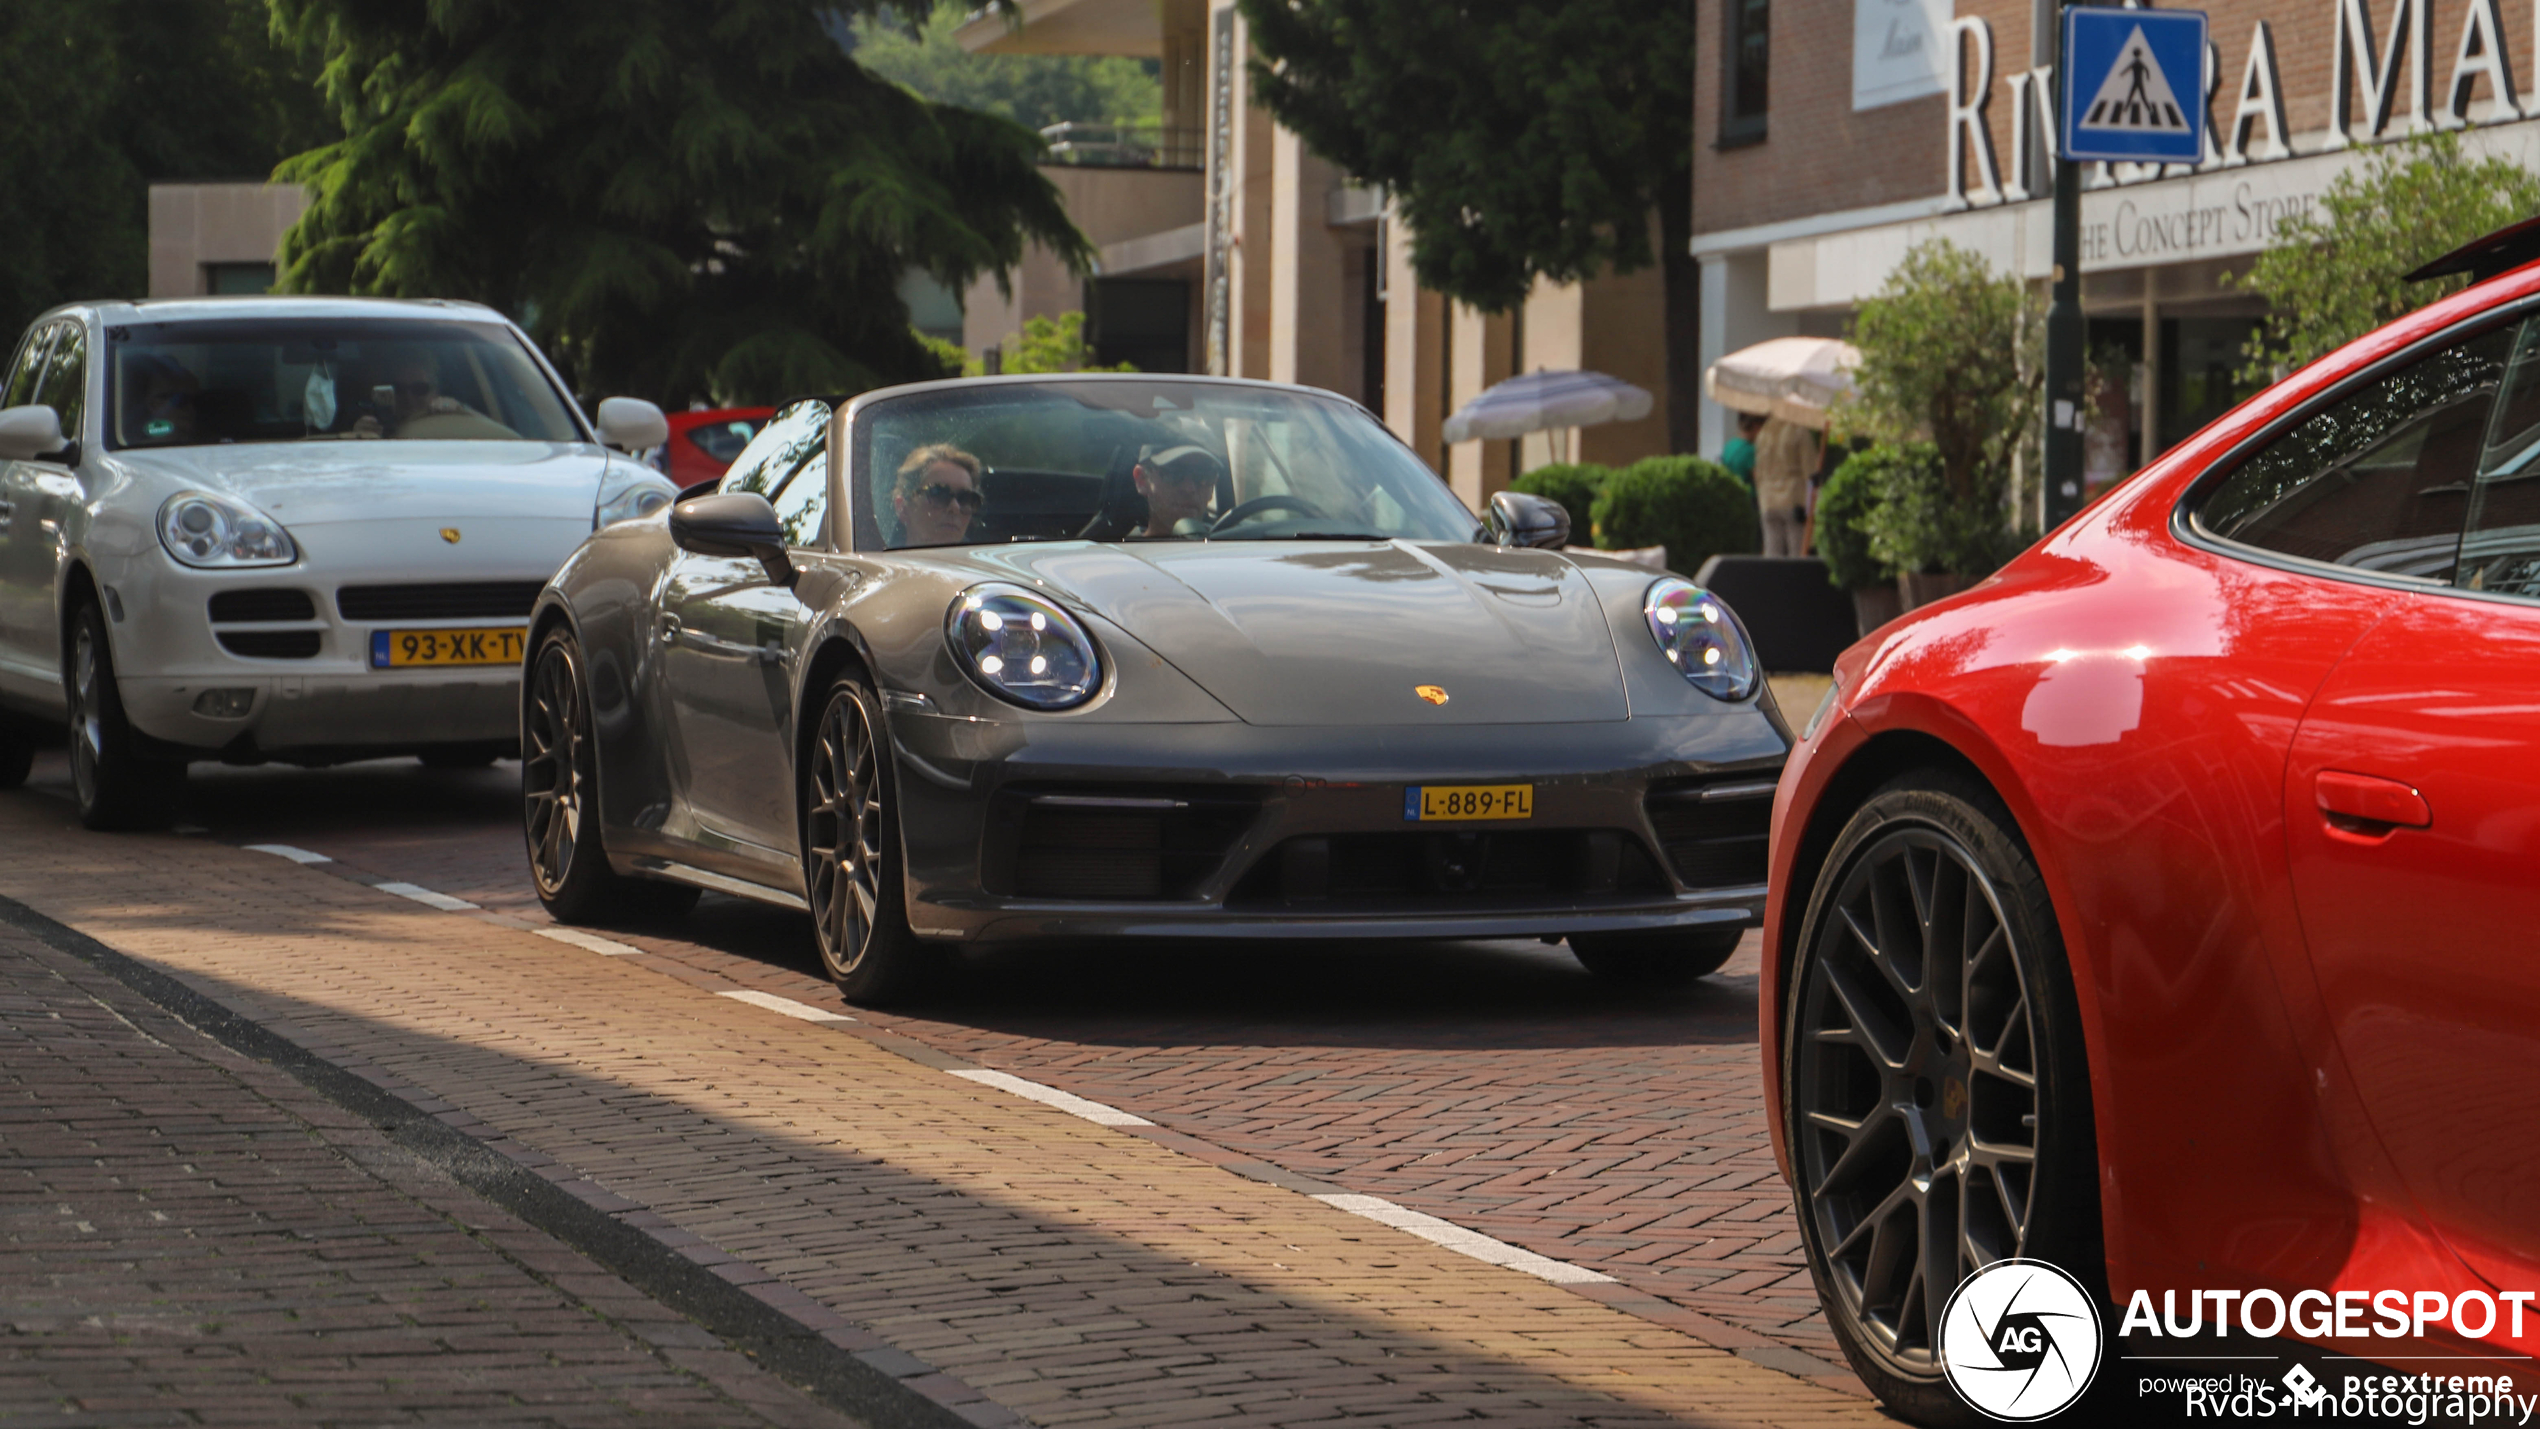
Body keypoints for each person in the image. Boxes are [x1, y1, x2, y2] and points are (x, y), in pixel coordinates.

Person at [1753, 415, 1820, 559]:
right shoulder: (1799, 430)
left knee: (1772, 551)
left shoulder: (1764, 432)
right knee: (1797, 554)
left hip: (1768, 499)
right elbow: (1811, 470)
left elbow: (1758, 470)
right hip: (1793, 497)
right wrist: (1813, 504)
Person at [892, 443, 984, 547]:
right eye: (938, 494)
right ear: (902, 508)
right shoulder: (876, 558)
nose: (955, 507)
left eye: (966, 499)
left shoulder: (987, 562)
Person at [1130, 444, 1223, 537]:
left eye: (1203, 476)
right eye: (1173, 473)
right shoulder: (1122, 550)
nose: (1189, 488)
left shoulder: (1225, 544)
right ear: (1142, 480)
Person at [1722, 413, 1762, 488]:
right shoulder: (1750, 450)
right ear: (1756, 426)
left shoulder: (1730, 445)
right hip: (1748, 496)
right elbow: (1759, 480)